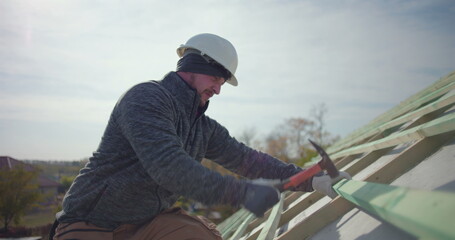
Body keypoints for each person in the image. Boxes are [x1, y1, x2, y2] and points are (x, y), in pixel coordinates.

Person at [50, 33, 351, 240]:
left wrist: (310, 179)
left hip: (148, 221)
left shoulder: (203, 128)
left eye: (222, 82)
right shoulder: (146, 99)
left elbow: (250, 161)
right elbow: (170, 167)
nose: (219, 89)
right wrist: (243, 193)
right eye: (216, 78)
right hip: (93, 221)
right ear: (194, 66)